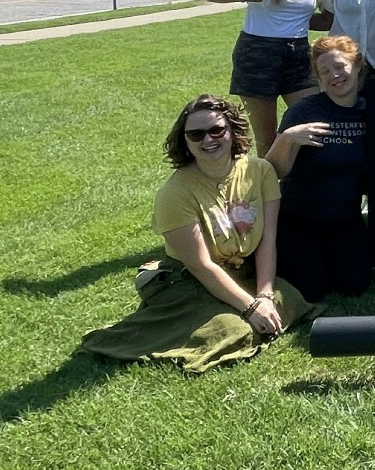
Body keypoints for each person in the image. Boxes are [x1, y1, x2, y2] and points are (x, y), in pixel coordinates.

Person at [80, 95, 317, 373]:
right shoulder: (175, 193)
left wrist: (263, 294)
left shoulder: (260, 171)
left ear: (232, 131)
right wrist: (251, 307)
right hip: (190, 279)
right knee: (233, 329)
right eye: (196, 134)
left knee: (289, 299)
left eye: (217, 130)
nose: (208, 140)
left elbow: (267, 240)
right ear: (186, 142)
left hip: (243, 271)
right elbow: (201, 265)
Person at [201, 0, 329, 155]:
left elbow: (325, 19)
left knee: (311, 125)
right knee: (267, 139)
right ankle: (270, 191)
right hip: (258, 53)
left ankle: (301, 187)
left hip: (299, 54)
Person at [265, 36, 370, 304]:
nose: (334, 76)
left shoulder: (370, 111)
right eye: (325, 72)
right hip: (300, 220)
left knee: (354, 286)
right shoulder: (304, 112)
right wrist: (286, 138)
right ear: (318, 78)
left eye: (340, 67)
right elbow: (273, 171)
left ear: (357, 65)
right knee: (311, 292)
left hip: (345, 219)